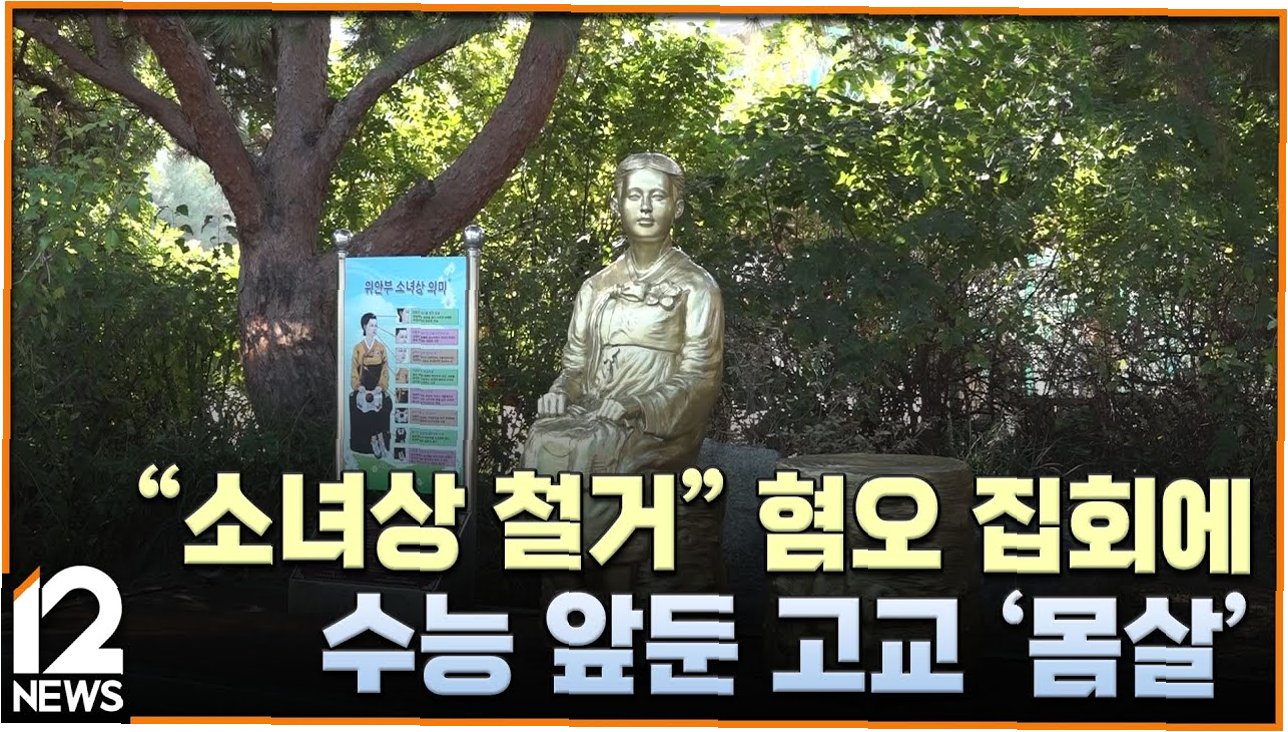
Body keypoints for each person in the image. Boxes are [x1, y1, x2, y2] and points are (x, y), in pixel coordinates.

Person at [520, 152, 724, 594]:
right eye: (635, 196)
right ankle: (559, 589)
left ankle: (614, 592)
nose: (645, 207)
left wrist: (639, 405)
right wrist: (560, 392)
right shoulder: (597, 287)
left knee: (604, 457)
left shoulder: (697, 287)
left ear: (677, 207)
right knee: (542, 441)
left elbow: (700, 376)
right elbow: (574, 367)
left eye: (657, 197)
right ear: (617, 204)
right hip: (594, 416)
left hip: (657, 428)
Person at [349, 312, 392, 455]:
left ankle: (381, 439)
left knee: (383, 407)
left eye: (376, 326)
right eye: (372, 325)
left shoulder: (381, 348)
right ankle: (372, 440)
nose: (374, 328)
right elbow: (354, 369)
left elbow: (385, 369)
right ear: (364, 326)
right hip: (363, 387)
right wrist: (358, 386)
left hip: (377, 387)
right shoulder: (358, 348)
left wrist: (381, 386)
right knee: (363, 408)